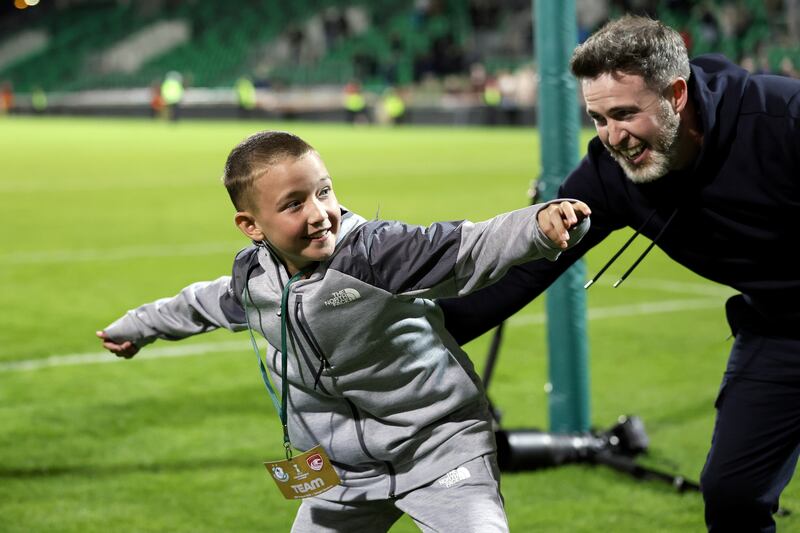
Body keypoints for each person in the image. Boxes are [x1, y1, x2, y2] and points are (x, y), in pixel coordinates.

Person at [95, 130, 591, 532]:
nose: (319, 213)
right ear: (250, 225)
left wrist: (539, 225)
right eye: (293, 204)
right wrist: (137, 327)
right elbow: (200, 303)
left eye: (324, 190)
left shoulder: (374, 254)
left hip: (439, 450)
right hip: (344, 473)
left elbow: (466, 244)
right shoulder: (256, 279)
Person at [437, 15, 800, 533]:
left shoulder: (781, 118)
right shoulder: (609, 174)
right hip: (779, 327)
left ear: (676, 94)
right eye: (598, 119)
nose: (614, 137)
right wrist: (411, 334)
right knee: (732, 494)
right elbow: (526, 269)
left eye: (626, 114)